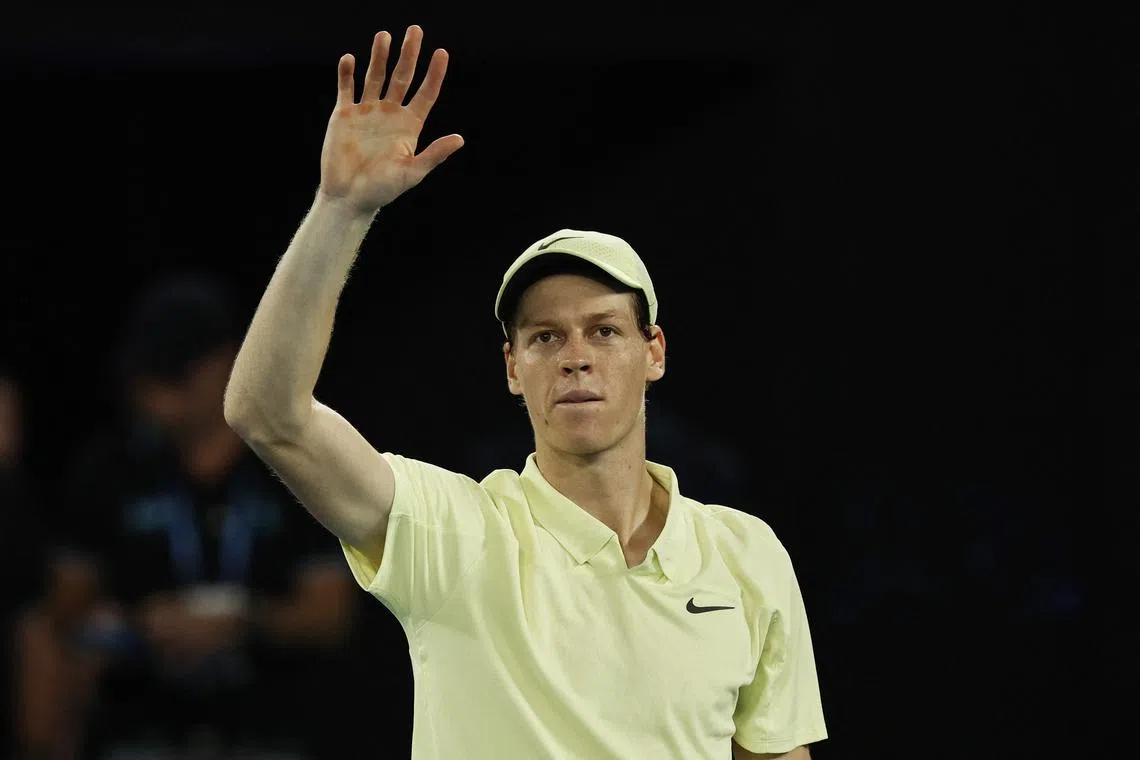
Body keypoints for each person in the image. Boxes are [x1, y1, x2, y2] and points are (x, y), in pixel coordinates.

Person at [224, 24, 827, 760]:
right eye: (545, 338)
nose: (575, 357)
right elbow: (267, 414)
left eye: (604, 331)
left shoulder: (746, 554)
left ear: (654, 353)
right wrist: (341, 208)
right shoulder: (455, 536)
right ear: (514, 369)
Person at [60, 274, 357, 760]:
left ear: (228, 362)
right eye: (146, 374)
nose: (154, 393)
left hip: (269, 737)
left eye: (174, 373)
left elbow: (331, 616)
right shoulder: (108, 470)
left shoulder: (292, 466)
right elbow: (65, 608)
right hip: (140, 737)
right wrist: (137, 627)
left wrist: (245, 621)